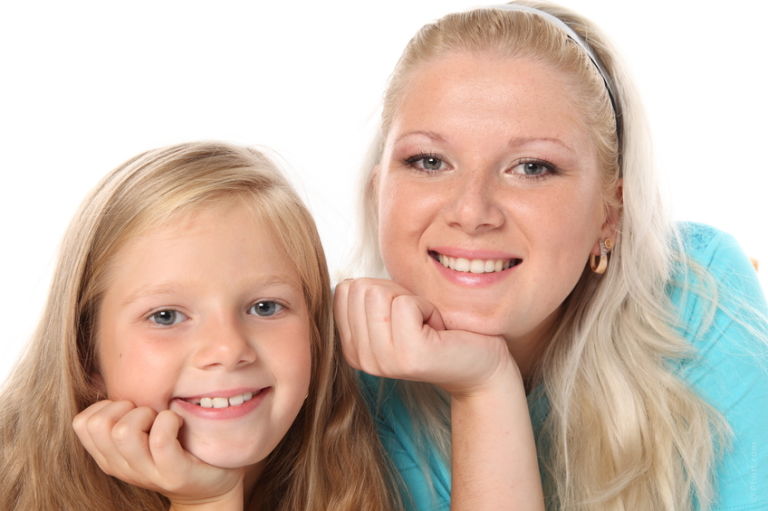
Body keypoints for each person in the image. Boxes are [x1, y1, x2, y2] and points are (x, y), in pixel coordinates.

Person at [334, 2, 768, 510]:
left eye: (532, 167)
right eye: (429, 161)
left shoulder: (698, 296)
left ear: (610, 214)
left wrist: (481, 384)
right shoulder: (333, 377)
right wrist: (484, 387)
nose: (472, 212)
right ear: (378, 190)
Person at [0, 142, 401, 511]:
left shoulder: (381, 466)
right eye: (166, 316)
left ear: (316, 334)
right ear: (85, 353)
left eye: (264, 307)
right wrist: (207, 501)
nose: (228, 349)